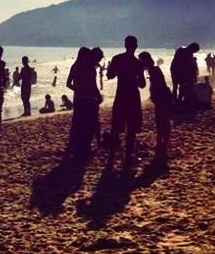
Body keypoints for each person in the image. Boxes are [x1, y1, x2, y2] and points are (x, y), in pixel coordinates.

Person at [107, 35, 146, 165]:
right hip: (133, 95)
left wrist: (119, 71)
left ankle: (111, 155)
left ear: (125, 45)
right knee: (131, 126)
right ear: (136, 46)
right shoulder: (138, 63)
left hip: (121, 93)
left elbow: (110, 75)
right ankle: (128, 155)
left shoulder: (117, 59)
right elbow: (142, 84)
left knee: (116, 125)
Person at [66, 47, 102, 158]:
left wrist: (77, 90)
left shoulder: (75, 66)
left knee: (77, 124)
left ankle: (74, 147)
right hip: (89, 99)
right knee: (89, 124)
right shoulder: (89, 68)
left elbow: (68, 84)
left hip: (78, 98)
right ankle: (84, 148)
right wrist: (98, 96)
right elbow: (93, 85)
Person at [140, 52, 172, 156]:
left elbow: (158, 85)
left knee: (162, 121)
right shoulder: (153, 69)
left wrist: (155, 96)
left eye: (141, 60)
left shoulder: (153, 70)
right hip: (163, 96)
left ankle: (163, 143)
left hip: (162, 97)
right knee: (162, 120)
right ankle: (161, 143)